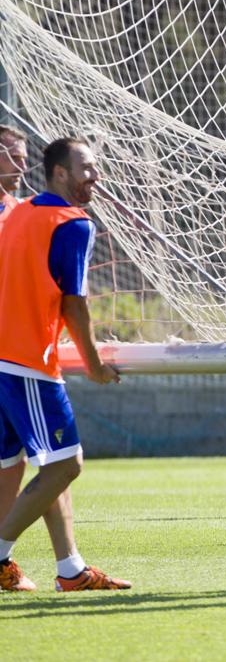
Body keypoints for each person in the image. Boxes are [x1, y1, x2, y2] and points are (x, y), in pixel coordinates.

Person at [0, 137, 129, 593]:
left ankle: (70, 570)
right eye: (86, 167)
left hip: (5, 358)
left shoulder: (20, 212)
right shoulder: (73, 223)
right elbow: (74, 304)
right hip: (28, 360)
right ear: (59, 172)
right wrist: (94, 364)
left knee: (44, 464)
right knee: (66, 464)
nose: (94, 175)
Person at [0, 126, 30, 528]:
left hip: (14, 353)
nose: (24, 164)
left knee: (19, 460)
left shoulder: (19, 210)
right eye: (14, 155)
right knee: (58, 462)